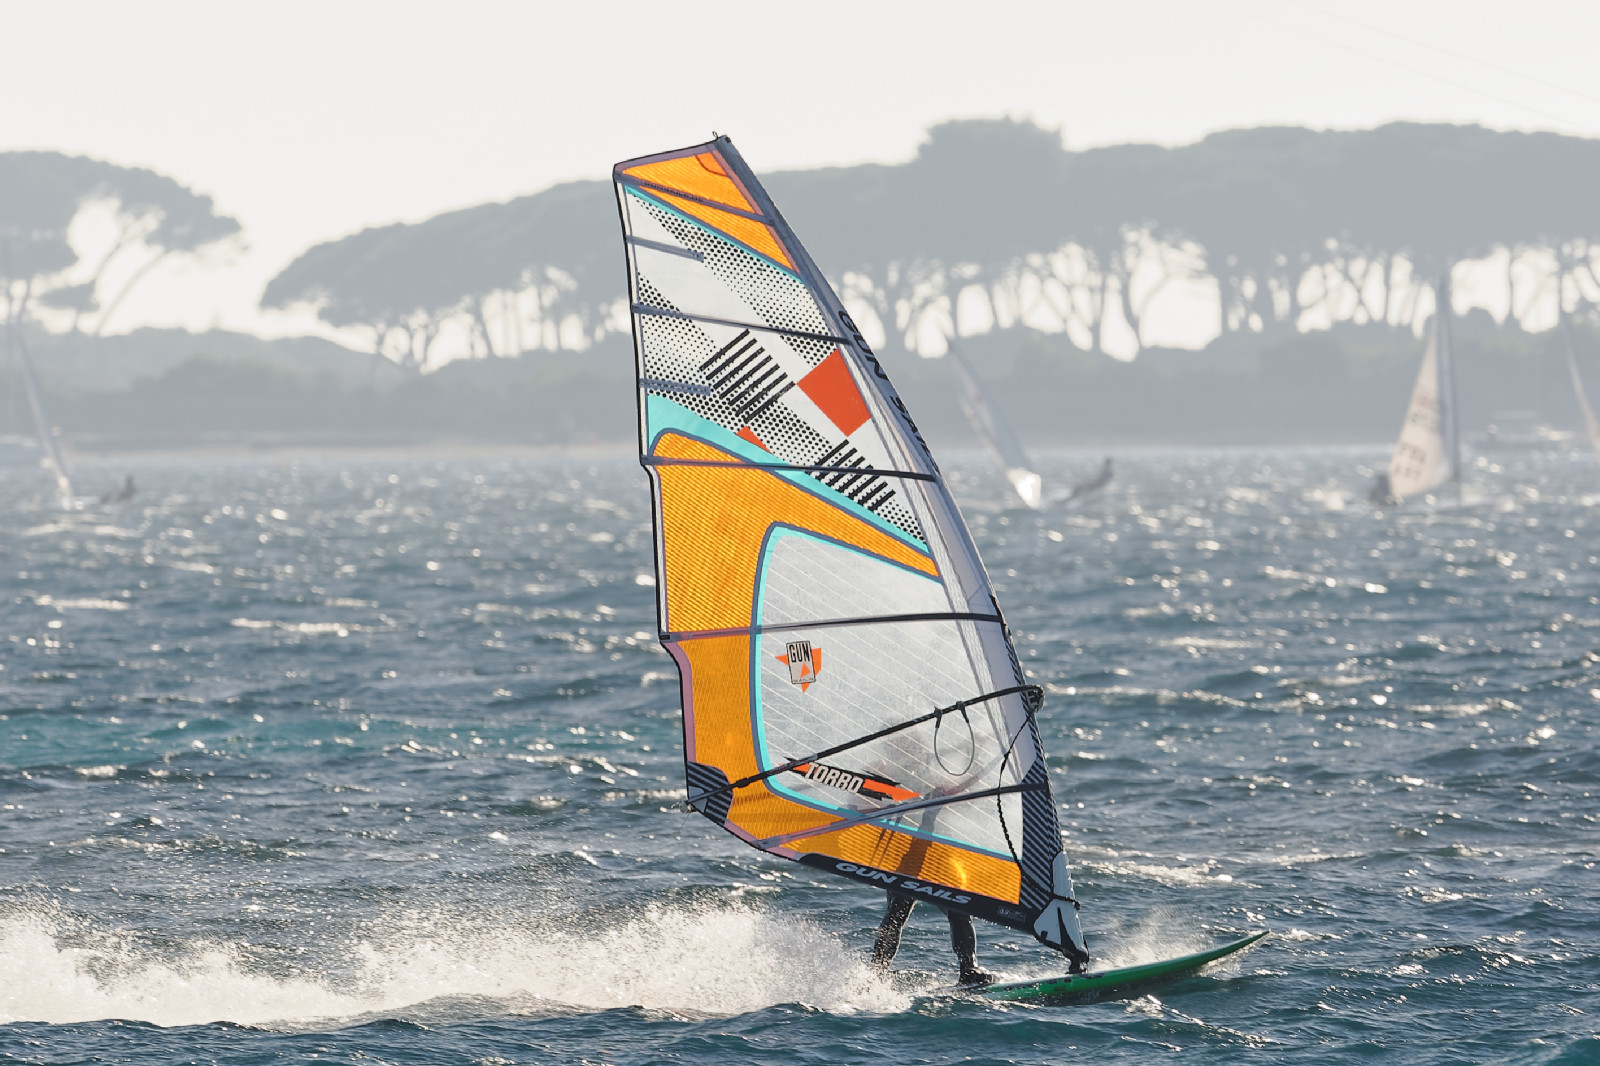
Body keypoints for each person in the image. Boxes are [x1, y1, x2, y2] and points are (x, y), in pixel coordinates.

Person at [870, 892, 993, 986]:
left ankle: (969, 967)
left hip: (945, 869)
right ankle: (877, 971)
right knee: (897, 908)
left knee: (958, 908)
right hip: (908, 869)